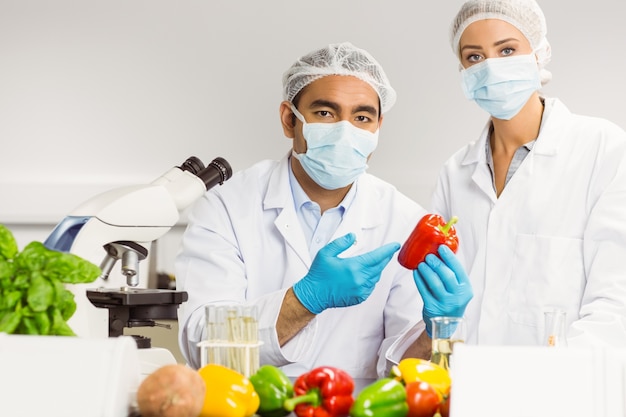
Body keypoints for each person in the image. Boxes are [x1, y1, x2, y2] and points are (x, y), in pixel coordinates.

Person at [175, 42, 438, 378]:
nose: (346, 131)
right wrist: (304, 300)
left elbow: (400, 372)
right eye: (325, 113)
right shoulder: (227, 206)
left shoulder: (405, 221)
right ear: (289, 120)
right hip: (247, 406)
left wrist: (433, 332)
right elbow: (203, 344)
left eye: (362, 117)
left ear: (377, 127)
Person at [394, 0, 626, 358]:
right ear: (462, 70)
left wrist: (538, 387)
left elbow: (614, 308)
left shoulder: (603, 149)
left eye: (507, 50)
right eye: (475, 57)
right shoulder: (456, 172)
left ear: (538, 53)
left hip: (561, 395)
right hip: (468, 391)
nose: (492, 68)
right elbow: (434, 311)